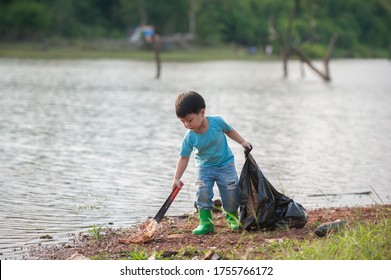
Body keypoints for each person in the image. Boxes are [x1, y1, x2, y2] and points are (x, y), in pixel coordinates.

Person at [172, 91, 252, 235]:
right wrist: (176, 178)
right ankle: (206, 223)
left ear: (202, 112)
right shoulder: (190, 137)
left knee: (231, 192)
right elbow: (184, 157)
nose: (186, 124)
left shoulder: (217, 122)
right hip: (204, 167)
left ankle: (233, 218)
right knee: (202, 192)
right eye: (182, 121)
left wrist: (242, 142)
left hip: (225, 164)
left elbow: (230, 131)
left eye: (189, 120)